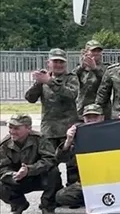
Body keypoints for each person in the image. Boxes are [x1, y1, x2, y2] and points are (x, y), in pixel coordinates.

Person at [23, 47, 79, 188]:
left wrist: (50, 82)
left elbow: (71, 95)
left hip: (68, 128)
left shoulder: (71, 78)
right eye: (55, 62)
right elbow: (30, 98)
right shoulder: (44, 78)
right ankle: (54, 192)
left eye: (61, 62)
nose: (58, 65)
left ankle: (71, 193)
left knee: (72, 163)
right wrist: (38, 82)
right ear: (48, 63)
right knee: (49, 163)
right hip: (49, 129)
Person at [0, 114, 61, 214]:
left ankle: (47, 207)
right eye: (10, 127)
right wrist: (13, 175)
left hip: (39, 176)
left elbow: (50, 160)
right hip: (17, 180)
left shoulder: (40, 139)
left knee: (53, 172)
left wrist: (30, 170)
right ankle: (18, 204)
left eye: (17, 128)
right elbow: (2, 168)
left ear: (28, 128)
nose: (12, 131)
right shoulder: (4, 145)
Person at [74, 40, 107, 118]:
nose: (96, 53)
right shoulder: (80, 70)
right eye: (93, 51)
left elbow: (106, 81)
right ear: (86, 52)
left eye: (98, 51)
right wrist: (82, 67)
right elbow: (72, 80)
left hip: (100, 111)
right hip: (82, 110)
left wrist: (95, 69)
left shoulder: (106, 68)